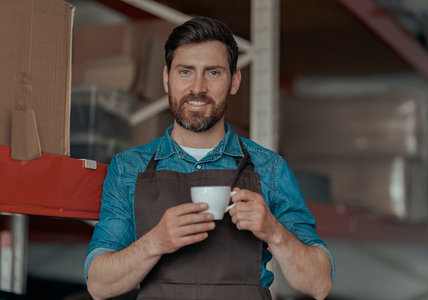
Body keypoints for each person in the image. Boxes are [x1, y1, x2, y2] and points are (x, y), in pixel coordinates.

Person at [85, 16, 334, 300]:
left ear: (234, 81)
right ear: (167, 79)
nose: (198, 87)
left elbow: (320, 283)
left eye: (213, 73)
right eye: (185, 72)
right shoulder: (129, 167)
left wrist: (273, 231)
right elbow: (98, 284)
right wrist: (156, 241)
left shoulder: (269, 168)